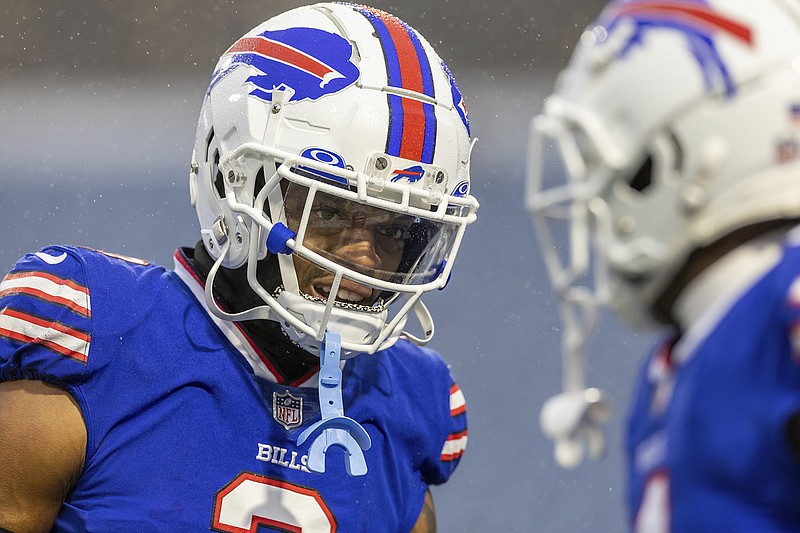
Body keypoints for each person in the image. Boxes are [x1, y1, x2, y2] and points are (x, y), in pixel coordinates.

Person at [0, 3, 478, 531]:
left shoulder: (409, 405)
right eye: (330, 211)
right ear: (233, 182)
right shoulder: (102, 337)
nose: (364, 256)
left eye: (394, 229)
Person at [527, 0, 800, 530]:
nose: (593, 197)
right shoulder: (682, 357)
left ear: (696, 153)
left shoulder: (786, 300)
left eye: (624, 169)